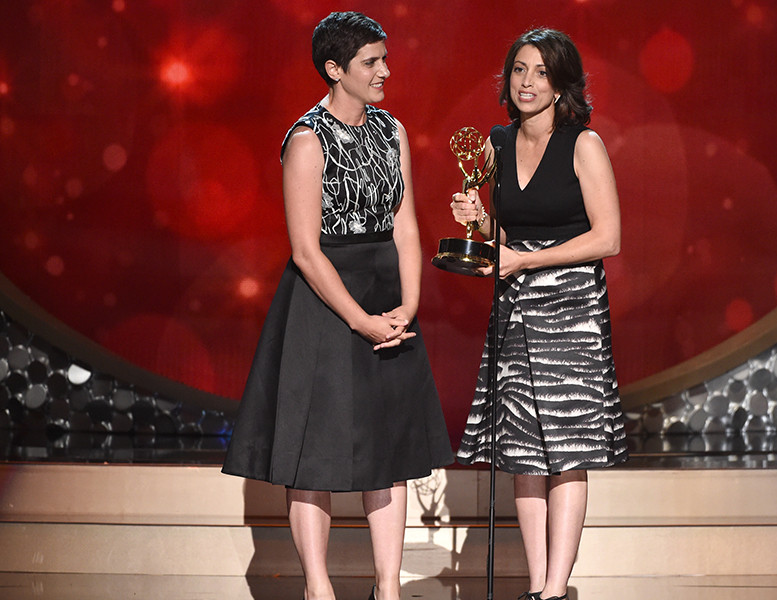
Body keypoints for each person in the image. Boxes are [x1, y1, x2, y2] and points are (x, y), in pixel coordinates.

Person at [222, 12, 454, 600]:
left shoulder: (391, 130)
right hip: (324, 305)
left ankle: (387, 587)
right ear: (335, 70)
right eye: (371, 62)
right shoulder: (306, 140)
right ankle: (318, 588)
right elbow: (305, 250)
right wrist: (360, 320)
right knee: (314, 453)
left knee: (390, 448)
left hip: (386, 298)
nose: (384, 71)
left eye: (383, 58)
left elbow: (405, 225)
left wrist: (407, 305)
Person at [451, 28, 628, 600]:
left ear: (561, 84)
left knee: (567, 451)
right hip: (515, 308)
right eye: (519, 71)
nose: (527, 83)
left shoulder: (584, 144)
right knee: (523, 451)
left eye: (540, 73)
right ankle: (535, 587)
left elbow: (608, 237)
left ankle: (556, 591)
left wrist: (527, 262)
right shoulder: (495, 144)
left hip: (571, 310)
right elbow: (505, 237)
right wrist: (476, 222)